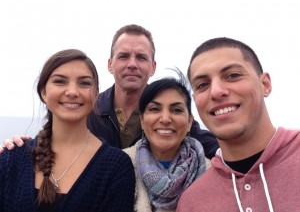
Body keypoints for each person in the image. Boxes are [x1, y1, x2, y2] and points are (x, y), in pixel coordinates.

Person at [0, 24, 219, 159]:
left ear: (153, 67)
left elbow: (211, 145)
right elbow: (56, 139)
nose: (132, 64)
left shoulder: (165, 113)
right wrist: (20, 146)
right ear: (110, 64)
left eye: (141, 57)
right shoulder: (86, 109)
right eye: (123, 56)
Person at [0, 49, 135, 211]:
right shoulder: (12, 158)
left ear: (96, 94)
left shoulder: (116, 167)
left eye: (84, 83)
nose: (72, 92)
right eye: (60, 81)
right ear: (43, 92)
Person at [177, 37, 300, 212]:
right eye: (202, 84)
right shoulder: (191, 203)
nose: (217, 91)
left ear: (265, 84)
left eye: (233, 75)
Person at [124, 69, 207, 212]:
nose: (165, 119)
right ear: (142, 121)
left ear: (189, 122)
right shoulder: (122, 165)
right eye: (155, 109)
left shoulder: (209, 170)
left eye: (177, 110)